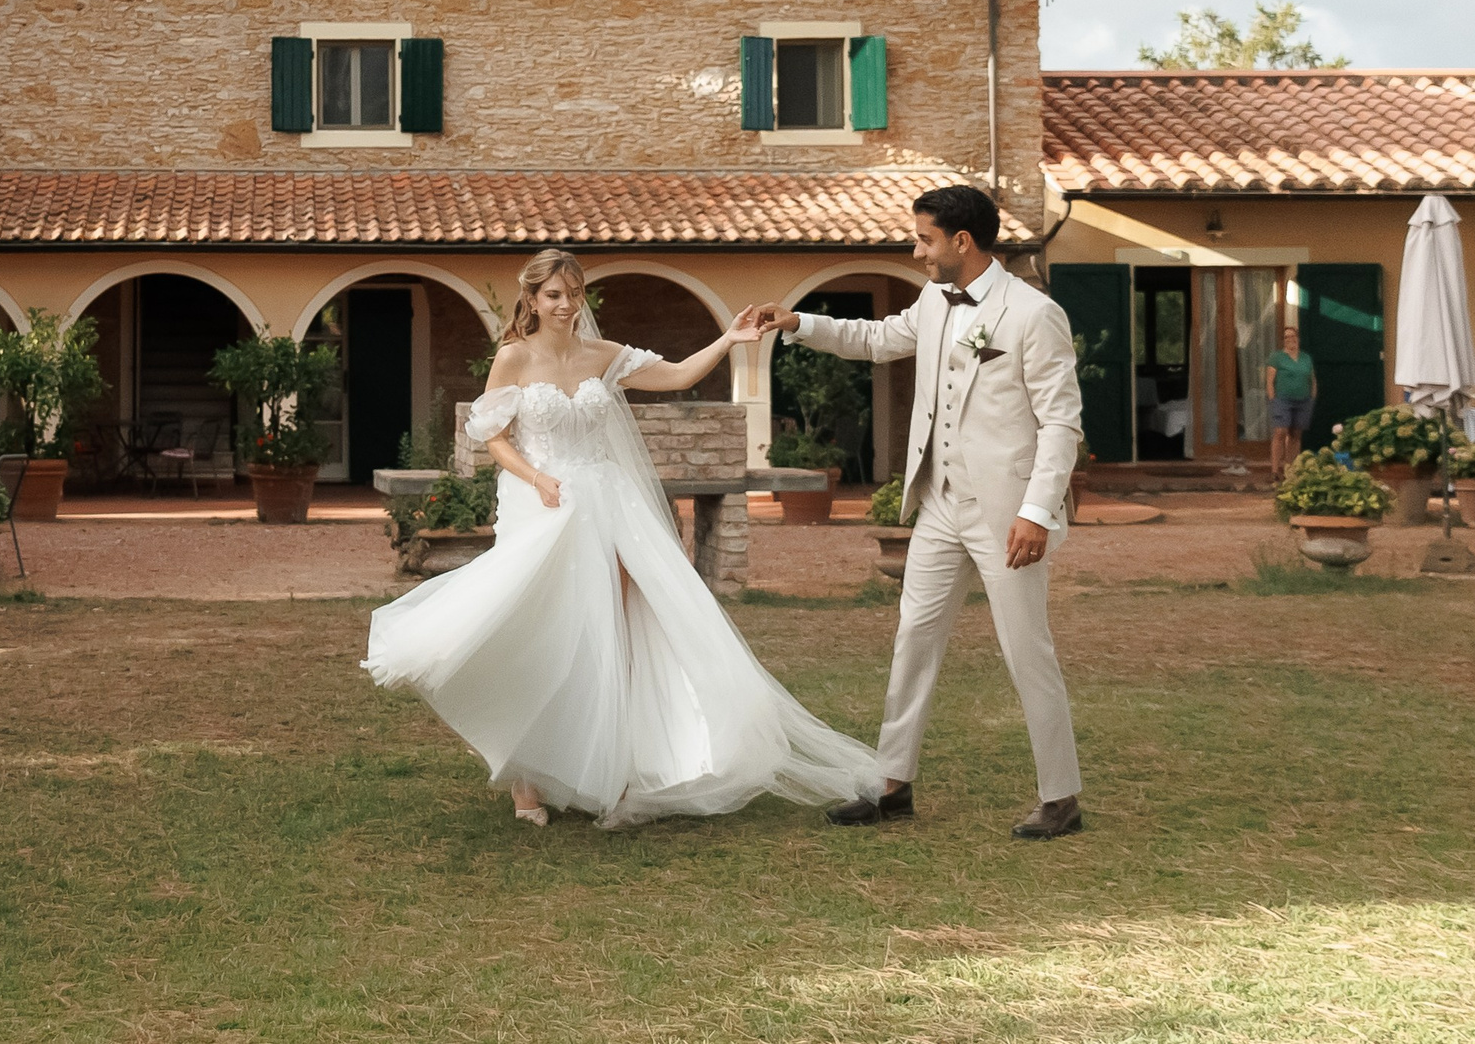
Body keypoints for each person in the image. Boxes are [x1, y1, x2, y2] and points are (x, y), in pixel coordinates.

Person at [362, 248, 881, 830]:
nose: (565, 305)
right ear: (532, 299)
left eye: (574, 293)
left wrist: (730, 340)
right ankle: (526, 776)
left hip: (609, 503)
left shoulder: (605, 356)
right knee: (539, 630)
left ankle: (619, 770)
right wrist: (539, 479)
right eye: (553, 295)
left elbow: (679, 375)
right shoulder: (513, 357)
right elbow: (497, 440)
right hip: (543, 503)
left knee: (621, 626)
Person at [743, 184, 1087, 840]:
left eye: (925, 238)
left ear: (963, 241)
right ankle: (891, 784)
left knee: (1026, 651)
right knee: (912, 641)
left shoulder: (1033, 314)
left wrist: (1036, 511)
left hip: (1006, 513)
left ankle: (1060, 795)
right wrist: (798, 323)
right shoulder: (933, 299)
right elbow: (878, 338)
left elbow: (1061, 423)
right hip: (938, 505)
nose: (916, 248)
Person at [1264, 325, 1315, 476]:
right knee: (1280, 432)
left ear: (1297, 338)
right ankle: (1274, 470)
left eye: (1292, 336)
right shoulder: (1277, 358)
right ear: (1283, 341)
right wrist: (1273, 399)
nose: (1290, 339)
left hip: (1303, 401)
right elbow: (1270, 381)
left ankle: (1291, 469)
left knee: (1295, 434)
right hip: (1282, 400)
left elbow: (1312, 379)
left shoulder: (1306, 358)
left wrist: (1311, 398)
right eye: (1286, 337)